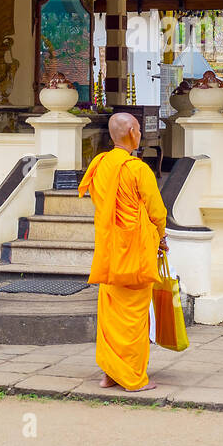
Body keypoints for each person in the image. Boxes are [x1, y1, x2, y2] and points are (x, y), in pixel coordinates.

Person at [78, 112, 168, 391]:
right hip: (135, 251)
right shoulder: (136, 169)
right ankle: (131, 376)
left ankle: (109, 373)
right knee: (134, 316)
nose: (140, 133)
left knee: (110, 314)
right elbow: (156, 210)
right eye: (139, 129)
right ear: (131, 131)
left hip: (109, 250)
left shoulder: (100, 164)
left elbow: (101, 202)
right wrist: (161, 235)